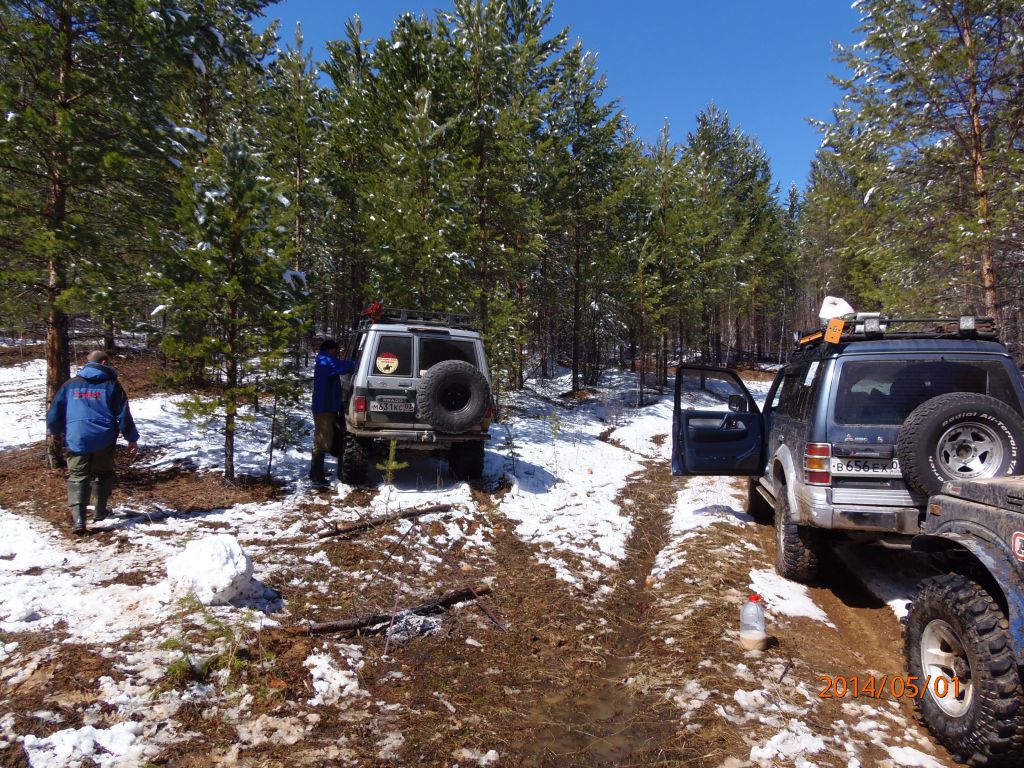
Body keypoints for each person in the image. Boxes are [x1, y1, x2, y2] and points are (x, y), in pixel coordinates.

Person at [46, 350, 139, 534]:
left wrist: (56, 432)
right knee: (102, 474)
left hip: (77, 437)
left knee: (78, 476)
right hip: (104, 437)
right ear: (104, 362)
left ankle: (79, 520)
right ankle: (99, 511)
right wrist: (132, 438)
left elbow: (55, 412)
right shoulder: (112, 385)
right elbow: (123, 415)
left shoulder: (70, 384)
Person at [311, 339, 355, 485]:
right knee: (322, 440)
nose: (338, 352)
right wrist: (357, 363)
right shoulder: (325, 361)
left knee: (323, 438)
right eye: (336, 350)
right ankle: (317, 475)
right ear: (329, 349)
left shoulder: (325, 360)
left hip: (327, 405)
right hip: (324, 406)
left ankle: (316, 472)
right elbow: (340, 367)